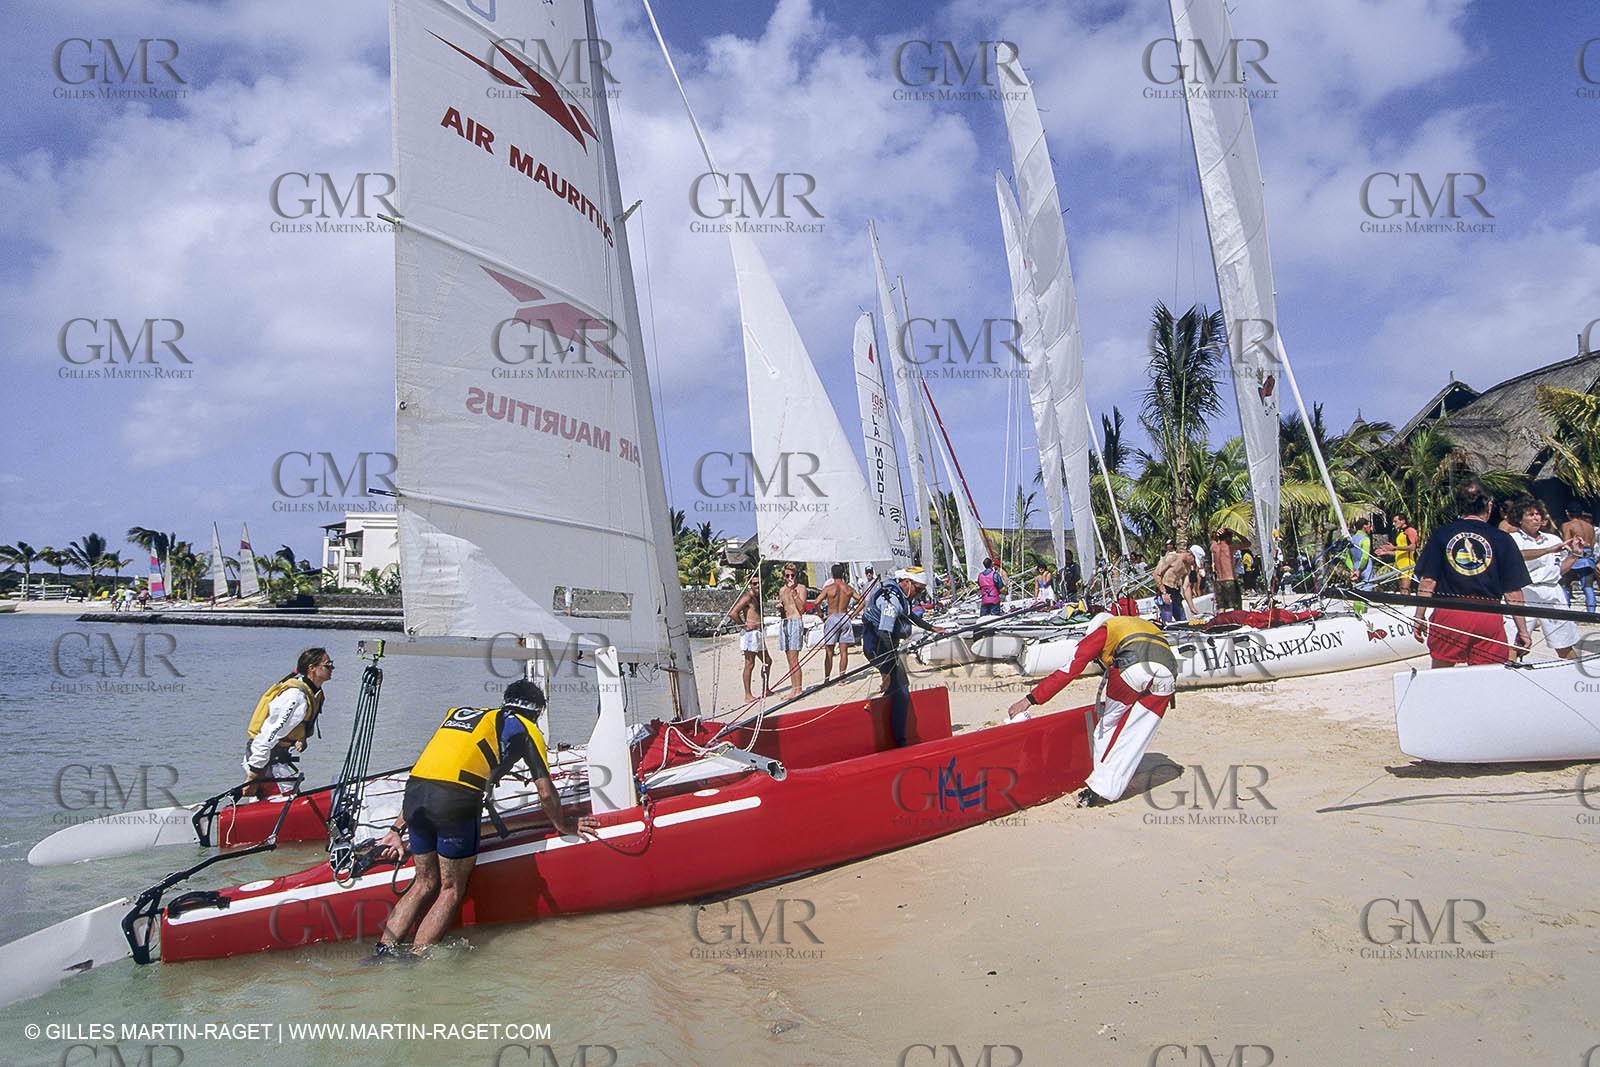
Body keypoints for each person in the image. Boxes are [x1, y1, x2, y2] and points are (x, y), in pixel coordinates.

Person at [374, 681, 598, 957]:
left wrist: (396, 829)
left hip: (415, 794)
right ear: (537, 713)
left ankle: (381, 954)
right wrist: (565, 824)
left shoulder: (462, 716)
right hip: (455, 802)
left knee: (424, 882)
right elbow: (545, 792)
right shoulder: (527, 729)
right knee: (450, 888)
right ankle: (416, 961)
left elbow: (435, 773)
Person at [1007, 612, 1176, 807]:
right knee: (1136, 733)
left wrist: (1030, 699)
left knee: (1107, 726)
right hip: (1168, 675)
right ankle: (1112, 780)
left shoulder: (1104, 631)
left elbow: (1070, 669)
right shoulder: (1142, 625)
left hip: (1131, 669)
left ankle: (1098, 788)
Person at [1412, 481, 1532, 668]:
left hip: (1449, 613)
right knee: (1486, 678)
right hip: (1488, 614)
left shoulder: (1442, 534)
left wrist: (1419, 615)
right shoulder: (1502, 539)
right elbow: (1512, 591)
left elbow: (1428, 581)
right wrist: (1522, 630)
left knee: (1440, 674)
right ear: (1489, 506)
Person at [862, 568, 945, 747]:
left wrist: (931, 628)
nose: (919, 593)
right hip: (877, 646)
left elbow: (910, 614)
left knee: (897, 685)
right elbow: (884, 633)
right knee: (901, 690)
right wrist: (891, 663)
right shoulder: (891, 601)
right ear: (907, 582)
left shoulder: (901, 596)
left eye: (923, 590)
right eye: (919, 589)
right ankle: (899, 741)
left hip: (884, 645)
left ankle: (886, 725)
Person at [242, 648, 334, 800]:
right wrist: (254, 774)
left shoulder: (313, 692)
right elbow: (267, 735)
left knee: (287, 799)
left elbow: (295, 725)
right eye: (327, 665)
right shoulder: (295, 697)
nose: (332, 668)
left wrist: (301, 739)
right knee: (282, 802)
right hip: (264, 759)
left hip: (276, 758)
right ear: (312, 668)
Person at [1509, 499, 1579, 659]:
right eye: (1531, 514)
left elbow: (1557, 571)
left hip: (1552, 592)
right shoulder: (1513, 539)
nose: (1536, 518)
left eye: (1538, 514)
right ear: (1520, 518)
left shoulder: (1553, 539)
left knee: (1563, 644)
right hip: (1526, 592)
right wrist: (1547, 550)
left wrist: (1575, 555)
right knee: (1513, 644)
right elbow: (1517, 556)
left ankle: (1573, 675)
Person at [728, 574, 771, 702]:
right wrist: (744, 626)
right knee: (749, 664)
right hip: (750, 635)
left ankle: (766, 689)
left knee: (768, 661)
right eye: (754, 584)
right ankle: (748, 695)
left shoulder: (758, 597)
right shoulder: (748, 597)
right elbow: (733, 613)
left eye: (758, 583)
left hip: (758, 633)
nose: (757, 586)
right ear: (750, 585)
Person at [818, 563, 861, 680]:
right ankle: (842, 677)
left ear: (832, 574)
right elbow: (862, 601)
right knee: (844, 651)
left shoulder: (828, 588)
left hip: (832, 617)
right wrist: (853, 615)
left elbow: (816, 602)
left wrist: (821, 615)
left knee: (829, 651)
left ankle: (827, 679)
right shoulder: (848, 588)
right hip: (844, 617)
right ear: (843, 574)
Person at [775, 564, 809, 696]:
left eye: (792, 575)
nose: (789, 578)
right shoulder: (782, 590)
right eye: (787, 576)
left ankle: (798, 689)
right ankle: (794, 688)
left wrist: (794, 594)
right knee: (789, 659)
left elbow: (801, 609)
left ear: (796, 576)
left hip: (796, 622)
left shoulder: (801, 588)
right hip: (785, 623)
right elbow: (785, 610)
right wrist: (780, 609)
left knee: (794, 659)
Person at [1560, 503, 1596, 614]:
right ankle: (1591, 613)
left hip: (1575, 556)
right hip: (1588, 557)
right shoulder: (1590, 526)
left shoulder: (1567, 525)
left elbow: (1567, 543)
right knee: (1588, 586)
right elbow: (1593, 543)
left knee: (1564, 584)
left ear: (1567, 513)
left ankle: (1566, 612)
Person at [1151, 544, 1198, 623]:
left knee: (1182, 620)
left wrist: (1191, 607)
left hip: (1175, 592)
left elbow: (1186, 587)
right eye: (1194, 561)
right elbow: (1156, 574)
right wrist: (1164, 592)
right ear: (1190, 555)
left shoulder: (1188, 568)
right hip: (1165, 590)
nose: (1194, 564)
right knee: (1167, 620)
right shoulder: (1172, 558)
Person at [1210, 528, 1242, 611]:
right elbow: (1247, 543)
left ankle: (1220, 622)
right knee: (1236, 606)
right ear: (1228, 538)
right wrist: (1236, 533)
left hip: (1219, 581)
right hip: (1230, 580)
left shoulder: (1214, 547)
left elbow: (1213, 540)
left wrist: (1216, 536)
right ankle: (1237, 621)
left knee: (1221, 607)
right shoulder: (1230, 547)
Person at [1391, 514, 1420, 594]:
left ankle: (1406, 603)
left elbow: (1412, 547)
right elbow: (1399, 551)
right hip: (1399, 564)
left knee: (1405, 588)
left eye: (1395, 521)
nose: (1393, 524)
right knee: (1401, 588)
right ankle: (1403, 604)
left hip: (1407, 564)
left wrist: (1395, 547)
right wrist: (1386, 552)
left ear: (1403, 521)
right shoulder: (1400, 533)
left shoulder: (1410, 531)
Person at [1347, 517, 1376, 589]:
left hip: (1355, 566)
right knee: (1367, 588)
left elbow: (1347, 557)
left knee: (1357, 590)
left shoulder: (1352, 539)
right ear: (1364, 527)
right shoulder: (1365, 539)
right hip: (1365, 567)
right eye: (1369, 526)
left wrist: (1352, 569)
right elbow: (1365, 557)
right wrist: (1360, 569)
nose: (1370, 529)